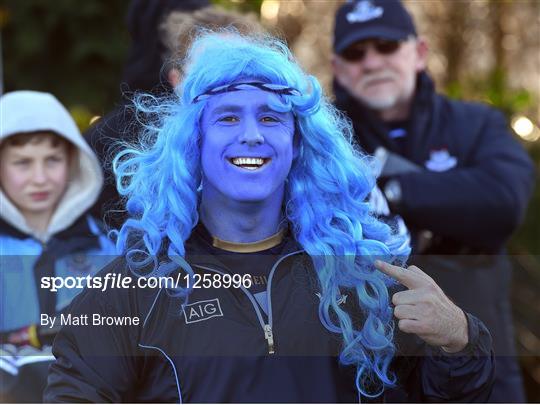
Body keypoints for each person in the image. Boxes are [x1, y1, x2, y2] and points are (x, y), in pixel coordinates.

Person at [45, 31, 494, 403]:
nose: (251, 135)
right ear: (193, 145)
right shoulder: (132, 287)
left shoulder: (365, 277)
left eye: (271, 117)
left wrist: (461, 340)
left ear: (297, 143)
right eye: (226, 118)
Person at [331, 0, 535, 402]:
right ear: (338, 69)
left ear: (419, 52)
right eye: (356, 53)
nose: (371, 62)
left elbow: (502, 202)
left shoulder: (477, 125)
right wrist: (445, 203)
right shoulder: (328, 141)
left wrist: (389, 191)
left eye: (386, 46)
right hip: (370, 380)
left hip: (482, 370)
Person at [84, 2, 262, 231]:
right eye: (208, 73)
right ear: (177, 80)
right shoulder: (128, 151)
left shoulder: (278, 139)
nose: (225, 87)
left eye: (239, 72)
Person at [0, 91, 116, 402]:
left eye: (52, 160)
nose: (39, 178)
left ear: (74, 161)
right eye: (22, 163)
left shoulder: (108, 246)